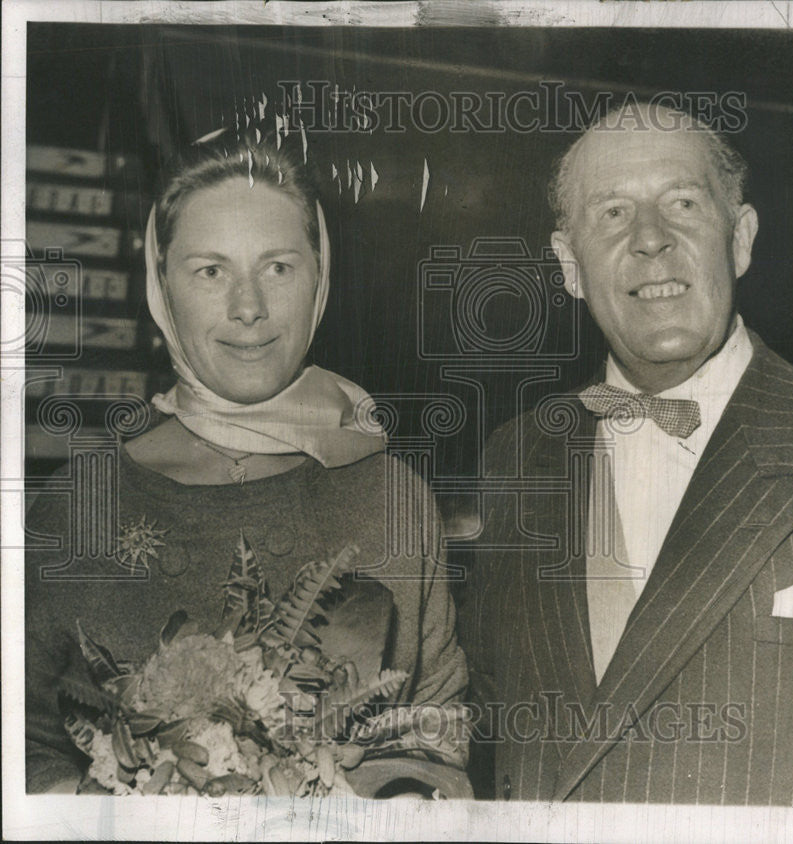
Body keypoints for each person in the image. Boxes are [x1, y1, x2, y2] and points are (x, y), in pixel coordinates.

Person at [460, 103, 793, 806]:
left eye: (683, 203)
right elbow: (488, 732)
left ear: (741, 239)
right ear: (569, 265)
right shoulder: (517, 458)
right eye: (612, 212)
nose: (650, 240)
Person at [25, 133, 467, 793]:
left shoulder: (395, 498)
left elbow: (439, 734)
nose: (249, 306)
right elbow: (23, 754)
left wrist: (390, 801)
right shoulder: (75, 507)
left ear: (320, 277)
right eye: (211, 270)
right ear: (161, 285)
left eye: (279, 267)